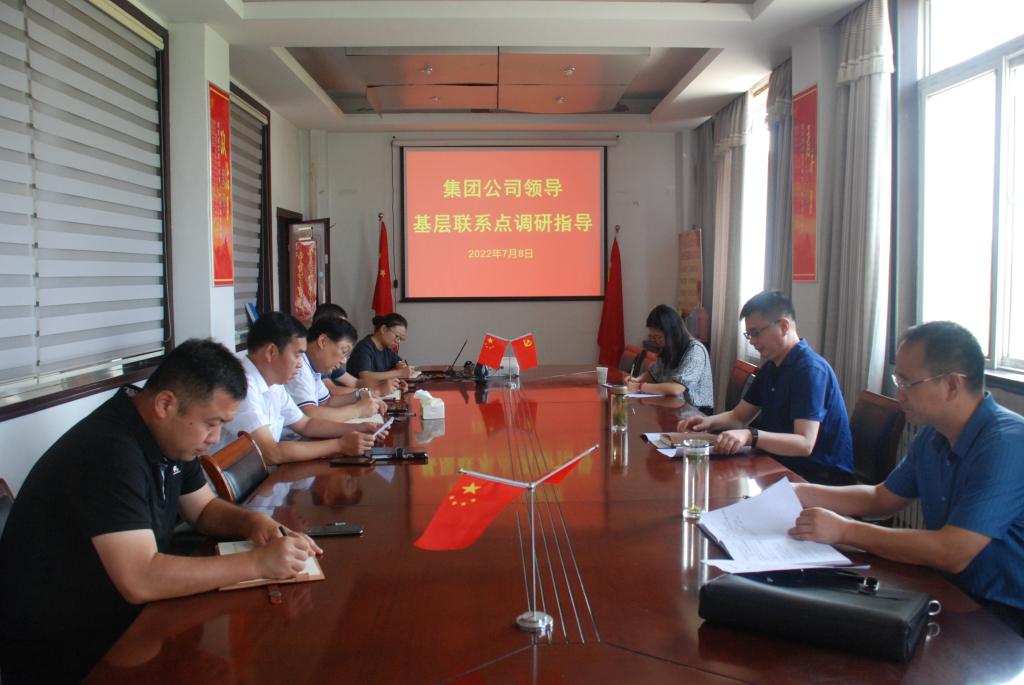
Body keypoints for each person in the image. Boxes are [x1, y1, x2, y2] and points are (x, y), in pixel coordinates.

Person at [0, 339, 323, 684]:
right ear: (166, 404)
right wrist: (258, 564)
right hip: (70, 649)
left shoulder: (168, 437)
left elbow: (203, 509)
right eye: (211, 423)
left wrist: (254, 522)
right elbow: (140, 578)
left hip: (130, 621)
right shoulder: (108, 452)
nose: (215, 438)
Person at [789, 322, 1024, 635]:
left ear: (952, 385)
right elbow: (883, 498)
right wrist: (799, 491)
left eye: (908, 383)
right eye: (897, 380)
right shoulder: (932, 435)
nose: (899, 394)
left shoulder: (1007, 443)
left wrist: (844, 530)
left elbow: (953, 551)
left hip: (1005, 615)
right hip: (952, 591)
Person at [677, 290, 853, 484]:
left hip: (817, 478)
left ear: (784, 326)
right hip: (781, 464)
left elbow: (804, 444)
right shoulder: (771, 367)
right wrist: (707, 422)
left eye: (756, 333)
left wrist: (751, 436)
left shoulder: (810, 370)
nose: (752, 341)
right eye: (749, 335)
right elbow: (738, 417)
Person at [211, 312, 378, 462]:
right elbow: (271, 452)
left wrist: (358, 428)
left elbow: (306, 424)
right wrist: (340, 445)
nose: (300, 364)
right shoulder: (243, 385)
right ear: (271, 352)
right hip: (243, 484)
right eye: (297, 355)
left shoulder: (274, 383)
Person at [284, 316, 388, 424]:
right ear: (323, 341)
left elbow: (326, 402)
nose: (344, 361)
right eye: (344, 351)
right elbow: (310, 414)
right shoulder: (298, 367)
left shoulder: (313, 367)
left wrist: (359, 394)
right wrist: (357, 411)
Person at [625, 304, 713, 413]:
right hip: (672, 406)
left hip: (695, 413)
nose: (656, 341)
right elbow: (653, 374)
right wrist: (637, 380)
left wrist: (640, 386)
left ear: (672, 332)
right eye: (653, 337)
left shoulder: (695, 351)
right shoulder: (669, 348)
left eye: (659, 337)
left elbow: (676, 388)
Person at [311, 303, 401, 398]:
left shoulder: (330, 358)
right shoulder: (316, 358)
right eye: (341, 325)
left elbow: (356, 382)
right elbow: (332, 391)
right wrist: (375, 391)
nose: (344, 360)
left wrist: (388, 384)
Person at [346, 312, 416, 384]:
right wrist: (399, 373)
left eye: (401, 339)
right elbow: (365, 377)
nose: (398, 342)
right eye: (397, 336)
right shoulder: (364, 348)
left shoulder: (386, 348)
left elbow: (400, 361)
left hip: (380, 389)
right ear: (384, 329)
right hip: (361, 390)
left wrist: (402, 366)